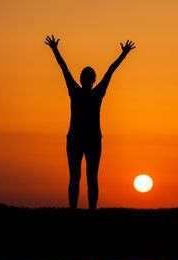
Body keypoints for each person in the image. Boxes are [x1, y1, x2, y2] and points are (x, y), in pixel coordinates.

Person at [45, 35, 135, 210]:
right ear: (92, 80)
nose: (86, 79)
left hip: (86, 139)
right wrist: (123, 55)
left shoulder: (81, 92)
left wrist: (55, 50)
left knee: (82, 177)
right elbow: (109, 71)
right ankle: (83, 211)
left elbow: (66, 69)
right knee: (83, 177)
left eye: (87, 77)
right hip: (82, 139)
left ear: (87, 79)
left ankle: (81, 211)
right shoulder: (90, 92)